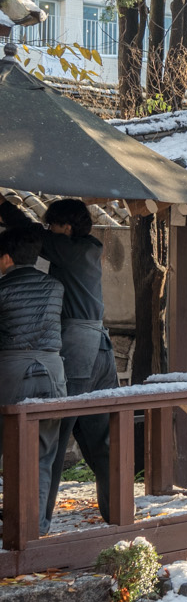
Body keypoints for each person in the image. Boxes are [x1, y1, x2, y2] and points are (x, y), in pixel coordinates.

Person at [0, 198, 117, 524]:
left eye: (52, 225)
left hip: (77, 351)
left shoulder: (71, 249)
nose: (48, 231)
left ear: (66, 226)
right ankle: (119, 513)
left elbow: (27, 233)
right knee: (102, 444)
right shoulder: (87, 251)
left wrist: (3, 205)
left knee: (52, 437)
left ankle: (39, 524)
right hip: (102, 350)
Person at [0, 223, 66, 534]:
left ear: (5, 259)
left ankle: (11, 525)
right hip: (52, 372)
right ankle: (35, 528)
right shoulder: (55, 287)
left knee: (5, 447)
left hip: (11, 371)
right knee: (43, 453)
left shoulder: (2, 289)